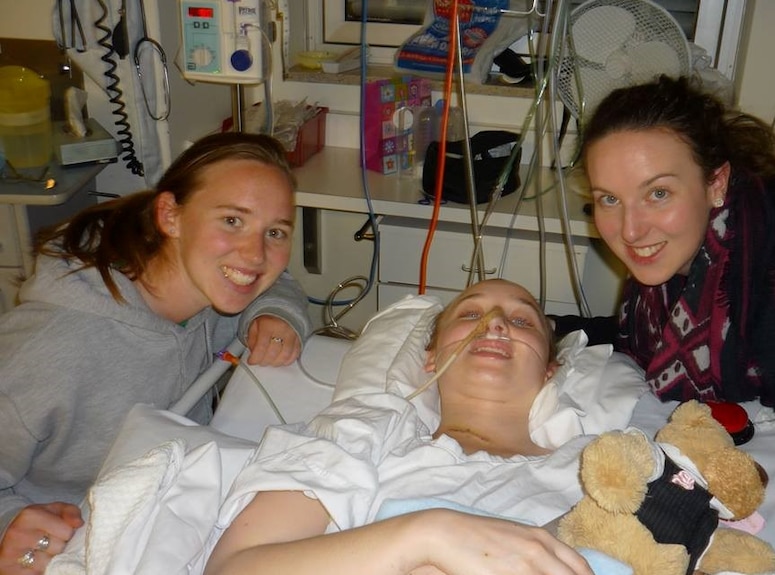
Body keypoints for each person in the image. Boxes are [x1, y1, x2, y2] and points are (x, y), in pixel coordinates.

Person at [0, 132, 313, 574]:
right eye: (231, 220)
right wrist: (8, 524)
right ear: (170, 215)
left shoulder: (212, 293)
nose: (255, 253)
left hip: (161, 519)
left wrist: (277, 313)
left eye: (275, 232)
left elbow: (274, 281)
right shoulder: (53, 345)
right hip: (65, 548)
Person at [203, 279, 600, 575]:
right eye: (471, 315)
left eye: (520, 320)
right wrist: (428, 535)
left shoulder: (599, 470)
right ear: (431, 357)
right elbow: (235, 567)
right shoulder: (367, 431)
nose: (494, 324)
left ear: (550, 370)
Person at [550, 75, 775, 429]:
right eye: (609, 198)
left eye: (658, 193)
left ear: (717, 183)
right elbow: (636, 338)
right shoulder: (680, 262)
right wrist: (542, 325)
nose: (630, 230)